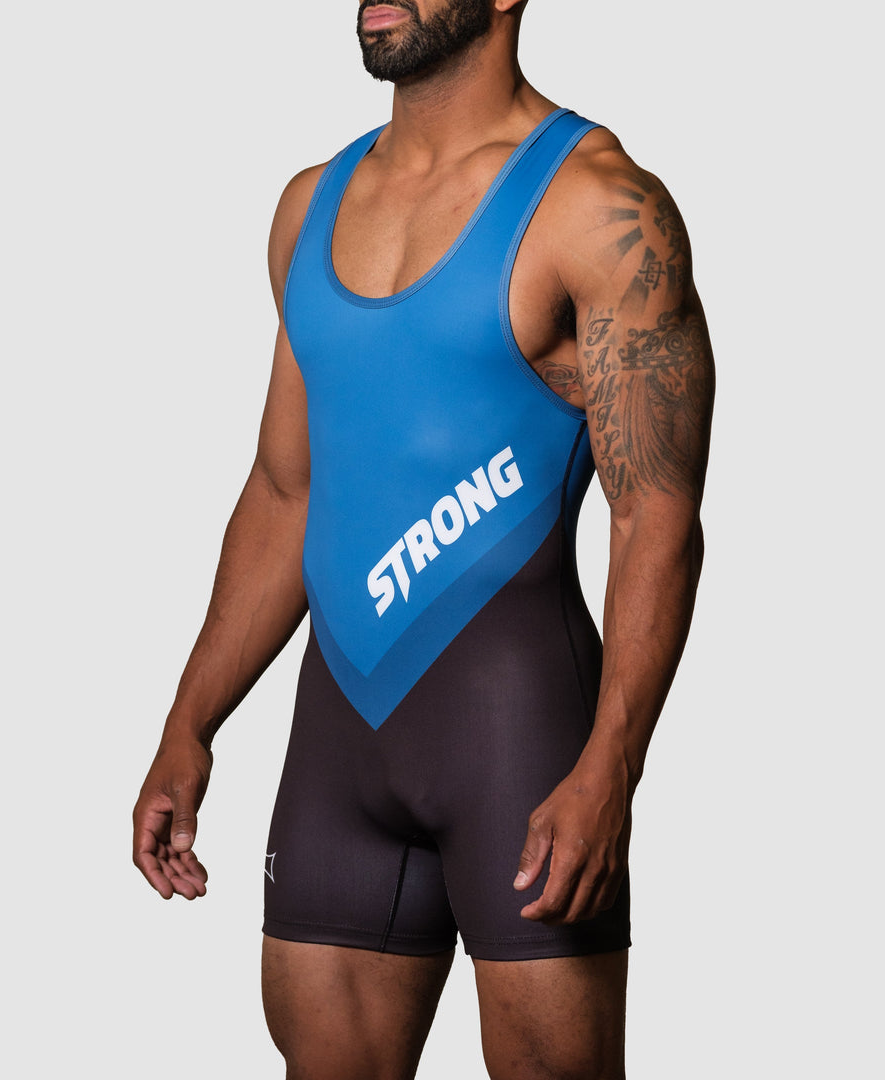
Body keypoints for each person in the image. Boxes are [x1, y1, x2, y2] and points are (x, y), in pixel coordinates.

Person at [132, 1, 714, 1076]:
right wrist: (190, 720)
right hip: (337, 746)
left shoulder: (600, 210)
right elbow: (285, 491)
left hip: (519, 742)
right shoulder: (309, 207)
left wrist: (611, 767)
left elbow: (657, 520)